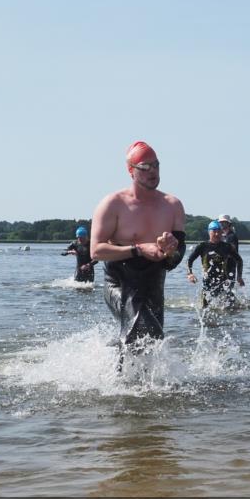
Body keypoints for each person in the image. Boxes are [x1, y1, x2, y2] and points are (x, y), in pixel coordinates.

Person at [90, 141, 186, 353]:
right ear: (131, 171)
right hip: (120, 281)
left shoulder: (172, 205)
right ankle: (119, 382)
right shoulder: (113, 204)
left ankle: (133, 376)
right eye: (145, 167)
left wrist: (170, 252)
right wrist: (139, 249)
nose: (152, 171)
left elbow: (177, 256)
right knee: (140, 329)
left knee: (153, 340)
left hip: (153, 283)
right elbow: (96, 251)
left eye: (156, 165)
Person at [187, 220, 245, 308]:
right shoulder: (202, 246)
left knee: (230, 308)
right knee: (205, 308)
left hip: (224, 282)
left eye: (219, 231)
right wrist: (190, 274)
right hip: (208, 283)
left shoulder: (227, 247)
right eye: (214, 231)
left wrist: (239, 276)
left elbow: (239, 260)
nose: (217, 234)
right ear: (209, 232)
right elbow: (189, 260)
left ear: (222, 232)